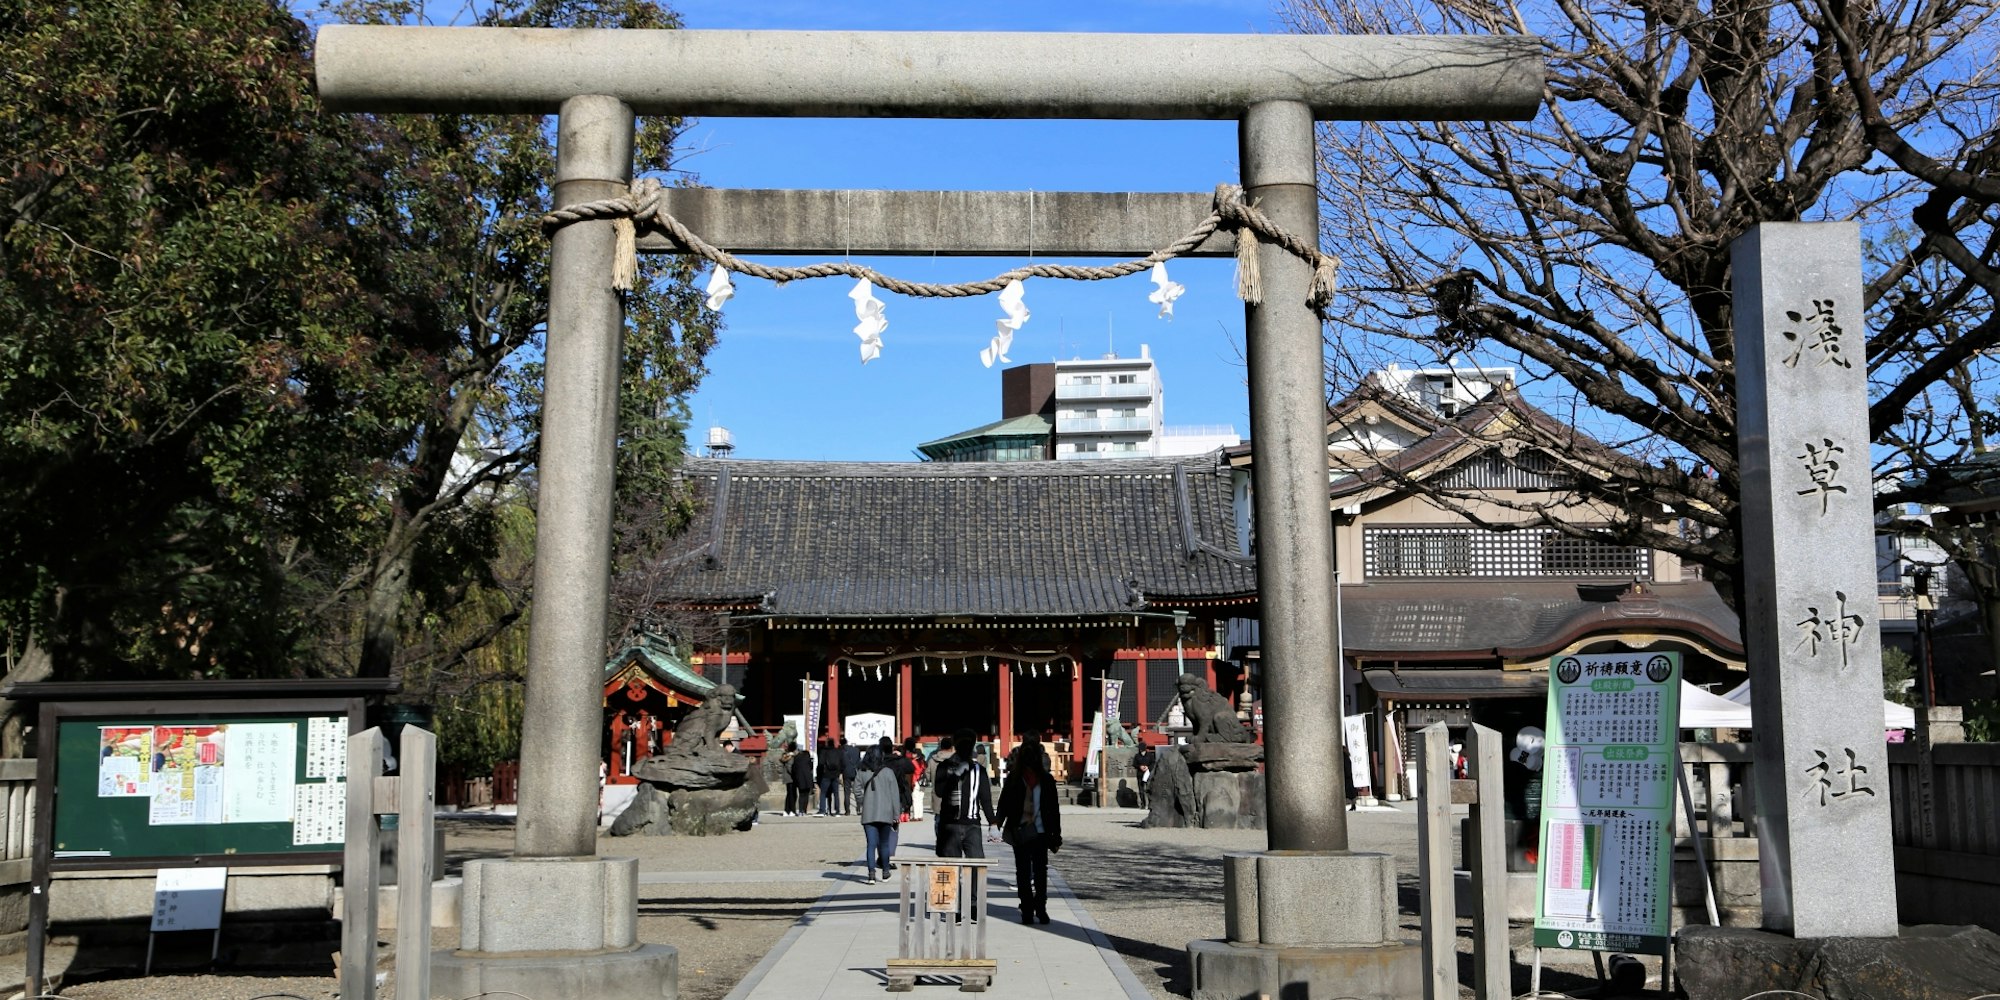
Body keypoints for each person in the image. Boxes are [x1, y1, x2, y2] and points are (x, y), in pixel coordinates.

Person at [997, 740, 1063, 924]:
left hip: (1040, 831)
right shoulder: (1014, 779)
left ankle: (1040, 907)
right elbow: (1004, 803)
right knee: (1026, 871)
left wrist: (1056, 834)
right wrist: (998, 823)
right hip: (1021, 831)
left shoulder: (1047, 781)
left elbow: (1054, 809)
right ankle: (1028, 908)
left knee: (1038, 872)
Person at [931, 728, 995, 857]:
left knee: (976, 868)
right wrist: (956, 775)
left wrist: (993, 823)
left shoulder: (979, 770)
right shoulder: (944, 766)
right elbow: (939, 791)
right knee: (950, 869)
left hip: (971, 824)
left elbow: (986, 799)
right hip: (950, 823)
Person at [856, 737, 909, 882]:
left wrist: (862, 802)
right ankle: (885, 871)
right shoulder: (888, 772)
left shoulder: (861, 772)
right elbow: (894, 794)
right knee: (884, 843)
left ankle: (871, 874)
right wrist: (896, 814)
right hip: (885, 813)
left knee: (871, 844)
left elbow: (857, 791)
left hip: (868, 813)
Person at [784, 741, 813, 816]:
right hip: (807, 777)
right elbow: (811, 766)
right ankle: (804, 810)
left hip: (798, 778)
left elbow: (792, 768)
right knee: (805, 795)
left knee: (800, 795)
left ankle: (799, 811)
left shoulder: (795, 757)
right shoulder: (806, 756)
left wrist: (795, 775)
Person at [816, 739, 842, 816]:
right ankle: (837, 811)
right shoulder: (838, 751)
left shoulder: (824, 751)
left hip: (826, 774)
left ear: (827, 743)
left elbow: (820, 763)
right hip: (835, 774)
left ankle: (822, 810)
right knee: (836, 793)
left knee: (823, 793)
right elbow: (841, 762)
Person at [839, 737, 861, 815]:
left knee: (847, 792)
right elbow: (859, 761)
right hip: (855, 772)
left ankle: (847, 810)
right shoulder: (856, 750)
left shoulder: (842, 751)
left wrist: (840, 773)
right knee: (857, 791)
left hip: (846, 772)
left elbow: (841, 763)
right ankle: (859, 808)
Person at [1133, 742, 1157, 810]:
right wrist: (1140, 766)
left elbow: (1153, 763)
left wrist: (1148, 767)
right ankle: (1143, 804)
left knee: (1149, 789)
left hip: (1148, 774)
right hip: (1140, 774)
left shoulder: (1150, 755)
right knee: (1141, 790)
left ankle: (1150, 804)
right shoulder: (1137, 756)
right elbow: (1134, 764)